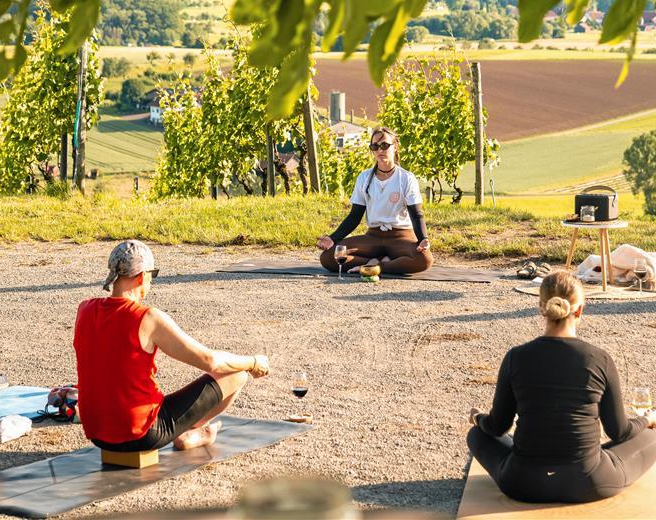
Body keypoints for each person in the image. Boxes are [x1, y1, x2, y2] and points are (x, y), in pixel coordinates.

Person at [466, 270, 656, 504]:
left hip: (522, 483)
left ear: (542, 308)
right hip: (589, 483)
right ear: (580, 309)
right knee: (653, 439)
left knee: (478, 435)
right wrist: (646, 420)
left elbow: (498, 426)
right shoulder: (599, 359)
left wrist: (478, 418)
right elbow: (619, 431)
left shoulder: (516, 357)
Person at [74, 240, 270, 453]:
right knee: (236, 374)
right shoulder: (147, 317)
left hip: (96, 433)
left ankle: (188, 431)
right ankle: (193, 433)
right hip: (140, 433)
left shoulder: (85, 309)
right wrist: (253, 362)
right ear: (142, 277)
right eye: (152, 275)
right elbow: (210, 361)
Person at [317, 127, 433, 275]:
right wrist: (332, 238)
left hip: (401, 236)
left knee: (425, 260)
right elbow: (354, 216)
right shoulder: (364, 178)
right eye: (375, 146)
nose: (380, 150)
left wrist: (423, 239)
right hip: (373, 237)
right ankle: (374, 262)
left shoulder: (406, 178)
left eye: (384, 145)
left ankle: (377, 267)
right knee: (328, 257)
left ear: (395, 146)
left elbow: (416, 214)